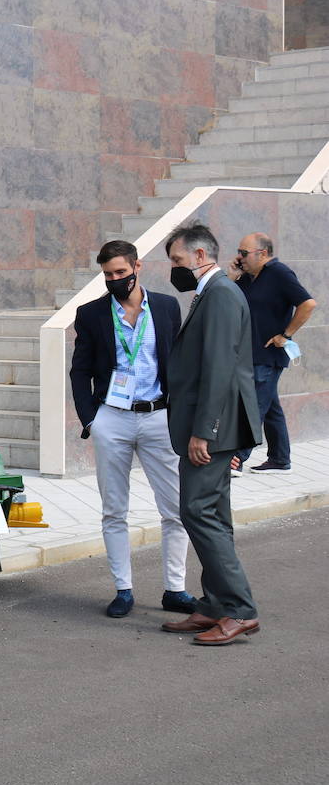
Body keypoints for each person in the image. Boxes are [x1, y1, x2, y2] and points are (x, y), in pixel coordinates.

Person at [70, 241, 195, 618]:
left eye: (120, 273)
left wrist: (182, 416)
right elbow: (80, 370)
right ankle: (123, 590)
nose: (114, 280)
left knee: (175, 510)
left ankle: (175, 589)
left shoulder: (167, 307)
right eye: (107, 275)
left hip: (159, 417)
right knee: (114, 510)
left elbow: (179, 361)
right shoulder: (90, 314)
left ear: (137, 266)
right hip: (113, 418)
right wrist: (91, 420)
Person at [161, 222, 262, 646]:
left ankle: (239, 610)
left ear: (201, 256)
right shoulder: (214, 292)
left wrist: (204, 431)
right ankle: (215, 605)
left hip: (212, 430)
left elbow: (220, 368)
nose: (176, 269)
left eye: (179, 261)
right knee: (212, 514)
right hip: (213, 426)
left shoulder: (220, 294)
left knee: (198, 512)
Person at [226, 232, 316, 475]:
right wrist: (234, 276)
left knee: (254, 406)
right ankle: (279, 458)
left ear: (262, 254)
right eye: (239, 252)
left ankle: (237, 457)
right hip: (250, 353)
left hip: (268, 355)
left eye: (244, 253)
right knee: (270, 405)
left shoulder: (280, 273)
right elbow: (230, 302)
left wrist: (285, 335)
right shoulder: (248, 277)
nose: (239, 257)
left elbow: (308, 304)